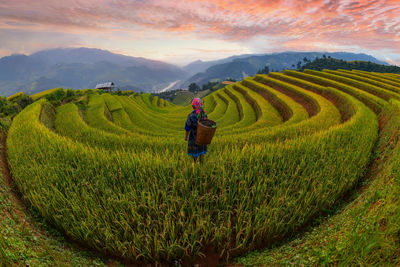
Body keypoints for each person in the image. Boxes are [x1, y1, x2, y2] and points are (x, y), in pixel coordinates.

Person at [185, 98, 207, 165]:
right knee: (201, 150)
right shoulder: (204, 115)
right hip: (202, 137)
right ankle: (201, 163)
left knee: (194, 152)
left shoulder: (191, 116)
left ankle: (195, 163)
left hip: (193, 137)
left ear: (192, 107)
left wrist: (186, 137)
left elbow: (187, 127)